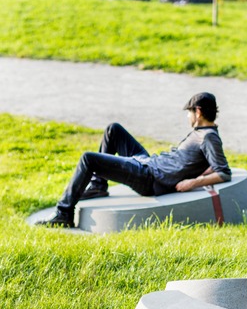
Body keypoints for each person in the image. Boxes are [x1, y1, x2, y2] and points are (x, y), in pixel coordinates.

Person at [37, 92, 231, 228]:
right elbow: (205, 162)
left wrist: (193, 182)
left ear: (198, 112)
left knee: (88, 159)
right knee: (114, 130)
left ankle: (64, 214)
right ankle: (98, 186)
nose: (188, 116)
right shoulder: (204, 134)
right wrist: (202, 170)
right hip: (149, 164)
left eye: (189, 112)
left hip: (150, 178)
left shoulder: (208, 137)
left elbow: (223, 172)